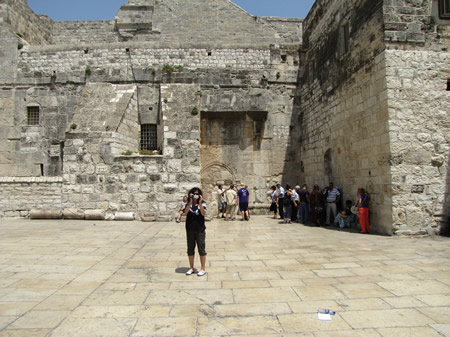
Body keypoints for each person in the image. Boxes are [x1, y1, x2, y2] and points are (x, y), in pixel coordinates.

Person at [184, 187, 207, 276]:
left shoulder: (203, 204)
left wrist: (200, 203)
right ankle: (191, 267)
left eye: (197, 193)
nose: (195, 195)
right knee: (190, 249)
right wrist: (190, 201)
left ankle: (203, 268)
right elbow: (185, 213)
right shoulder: (187, 204)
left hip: (200, 229)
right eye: (194, 193)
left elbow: (203, 213)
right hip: (190, 229)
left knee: (201, 249)